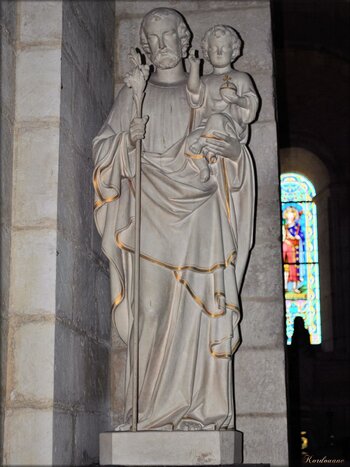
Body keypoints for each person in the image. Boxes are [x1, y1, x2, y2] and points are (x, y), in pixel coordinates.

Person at [93, 7, 255, 431]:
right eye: (154, 39)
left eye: (170, 37)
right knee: (148, 308)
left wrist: (232, 154)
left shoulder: (210, 91)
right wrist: (127, 142)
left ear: (185, 41)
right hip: (149, 217)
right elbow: (103, 153)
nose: (163, 46)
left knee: (201, 313)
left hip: (200, 218)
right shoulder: (134, 95)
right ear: (145, 46)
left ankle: (201, 414)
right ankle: (148, 415)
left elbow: (234, 152)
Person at [185, 25, 259, 182]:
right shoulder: (205, 80)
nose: (218, 52)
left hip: (229, 127)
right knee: (189, 140)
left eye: (224, 48)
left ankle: (203, 142)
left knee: (217, 118)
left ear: (234, 51)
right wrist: (194, 67)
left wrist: (236, 100)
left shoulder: (241, 78)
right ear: (207, 52)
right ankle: (203, 168)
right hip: (205, 127)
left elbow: (252, 102)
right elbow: (194, 91)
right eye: (213, 49)